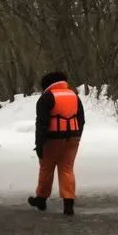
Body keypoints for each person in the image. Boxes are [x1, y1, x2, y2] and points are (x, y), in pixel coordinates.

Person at [28, 71, 85, 216]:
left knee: (46, 168)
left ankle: (41, 199)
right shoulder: (74, 96)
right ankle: (68, 203)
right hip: (72, 138)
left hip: (52, 138)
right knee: (67, 169)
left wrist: (39, 143)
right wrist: (77, 136)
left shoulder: (46, 97)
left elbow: (42, 123)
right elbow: (81, 119)